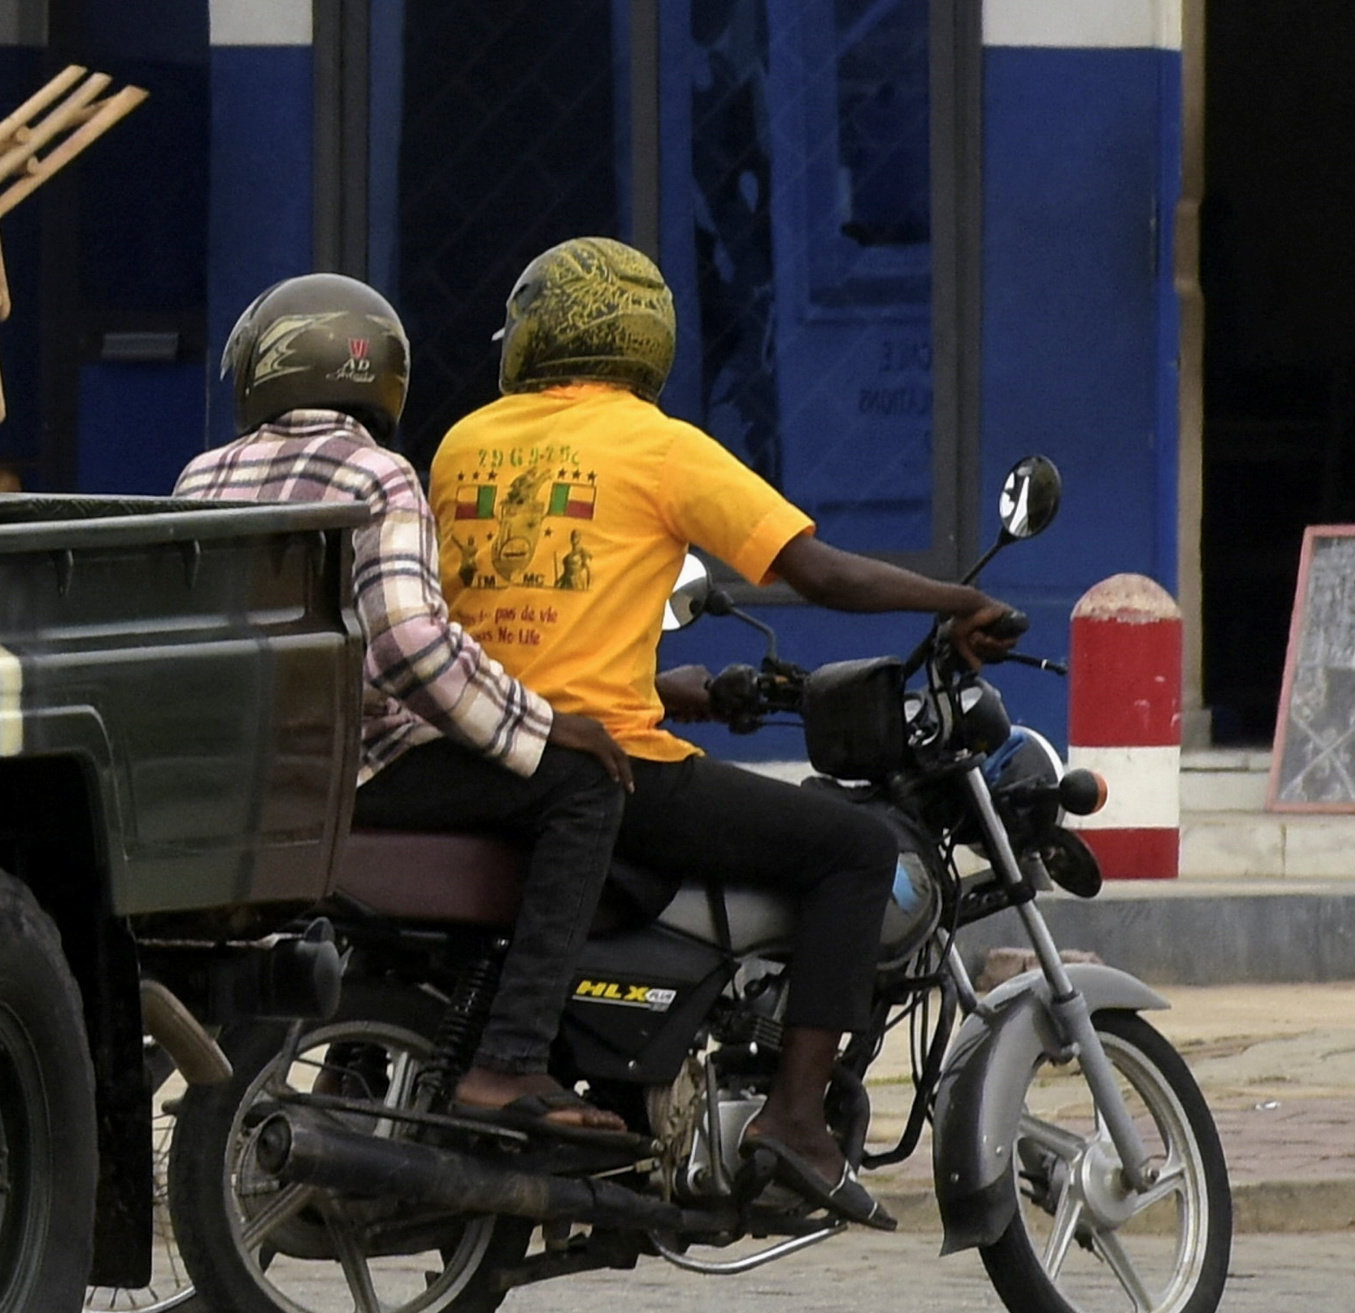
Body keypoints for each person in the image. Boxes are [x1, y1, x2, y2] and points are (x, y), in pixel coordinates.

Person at [423, 236, 1025, 1226]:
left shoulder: (462, 443)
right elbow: (816, 573)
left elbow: (521, 628)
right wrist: (957, 597)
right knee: (852, 848)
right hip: (604, 762)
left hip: (487, 745)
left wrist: (674, 688)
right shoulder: (659, 446)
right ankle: (792, 1119)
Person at [177, 274, 630, 1146]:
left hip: (249, 774)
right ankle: (512, 1058)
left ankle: (366, 1058)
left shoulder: (205, 474)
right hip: (355, 768)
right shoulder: (376, 473)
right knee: (582, 788)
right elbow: (409, 644)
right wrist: (536, 726)